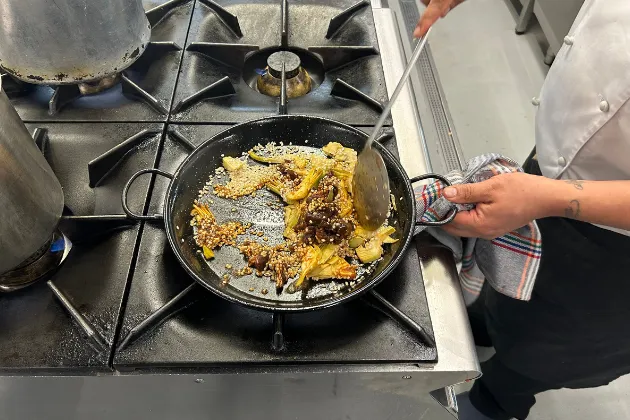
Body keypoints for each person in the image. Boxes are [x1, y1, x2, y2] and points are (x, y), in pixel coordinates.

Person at [414, 0, 630, 419]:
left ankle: (495, 401)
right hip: (557, 168)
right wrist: (541, 191)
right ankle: (485, 324)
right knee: (506, 279)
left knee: (545, 350)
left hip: (616, 253)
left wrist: (547, 197)